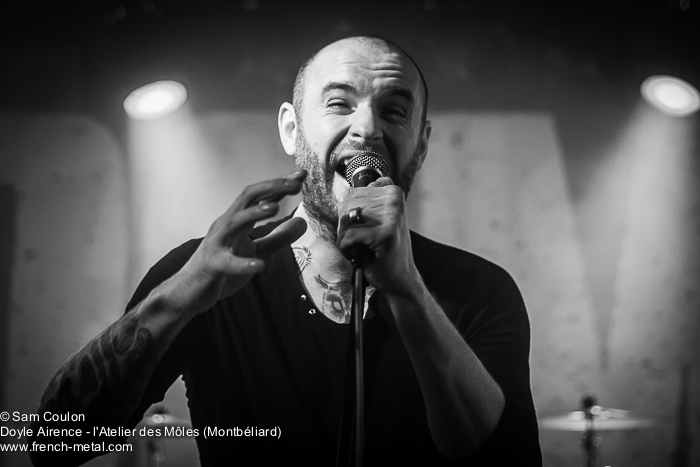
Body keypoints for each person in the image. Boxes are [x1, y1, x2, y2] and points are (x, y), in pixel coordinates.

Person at [28, 36, 542, 466]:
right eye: (339, 103)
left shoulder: (481, 290)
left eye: (394, 110)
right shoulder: (207, 270)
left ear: (421, 145)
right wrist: (180, 296)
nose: (367, 128)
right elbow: (51, 445)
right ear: (292, 130)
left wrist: (406, 289)